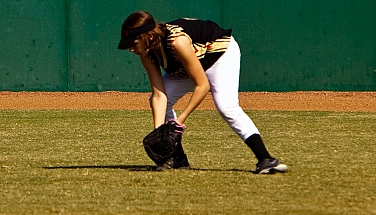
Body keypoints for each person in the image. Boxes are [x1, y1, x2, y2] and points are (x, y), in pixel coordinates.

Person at [118, 11, 288, 174]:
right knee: (165, 99)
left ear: (148, 36)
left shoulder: (177, 42)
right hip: (186, 64)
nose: (131, 49)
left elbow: (202, 85)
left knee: (227, 107)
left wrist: (180, 121)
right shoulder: (146, 54)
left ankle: (266, 159)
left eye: (133, 42)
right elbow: (158, 95)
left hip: (218, 54)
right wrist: (159, 132)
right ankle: (177, 159)